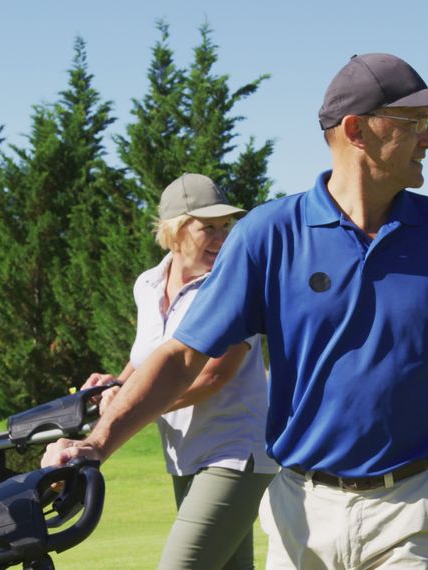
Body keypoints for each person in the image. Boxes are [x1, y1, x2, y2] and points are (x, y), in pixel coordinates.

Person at [45, 53, 428, 569]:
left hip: (415, 509)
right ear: (357, 130)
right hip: (301, 515)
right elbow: (182, 358)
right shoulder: (269, 236)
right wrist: (96, 443)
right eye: (415, 124)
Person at [82, 172, 277, 570]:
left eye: (227, 226)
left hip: (236, 455)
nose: (223, 238)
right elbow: (149, 359)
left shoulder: (234, 288)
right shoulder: (148, 285)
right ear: (174, 230)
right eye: (209, 227)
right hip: (183, 456)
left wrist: (131, 401)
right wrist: (115, 385)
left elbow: (210, 377)